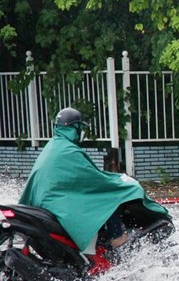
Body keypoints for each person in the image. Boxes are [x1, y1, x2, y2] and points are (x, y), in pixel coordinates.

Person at [19, 107, 169, 256]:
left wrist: (110, 178)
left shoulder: (53, 146)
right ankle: (117, 239)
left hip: (48, 202)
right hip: (57, 203)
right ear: (75, 128)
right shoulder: (70, 150)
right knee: (106, 197)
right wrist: (119, 182)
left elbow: (85, 176)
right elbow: (95, 181)